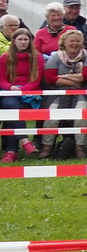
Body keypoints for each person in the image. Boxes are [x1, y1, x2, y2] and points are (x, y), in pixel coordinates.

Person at [42, 28, 87, 159]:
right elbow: (50, 78)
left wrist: (63, 77)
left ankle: (80, 146)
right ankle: (46, 146)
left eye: (78, 41)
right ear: (64, 43)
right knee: (52, 116)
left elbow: (86, 77)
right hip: (58, 93)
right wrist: (74, 80)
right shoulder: (56, 57)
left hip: (81, 93)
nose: (74, 43)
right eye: (71, 41)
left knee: (81, 116)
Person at [0, 27, 45, 161]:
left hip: (29, 93)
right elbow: (1, 79)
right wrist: (10, 87)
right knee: (11, 105)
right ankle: (25, 141)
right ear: (14, 41)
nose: (23, 42)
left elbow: (36, 80)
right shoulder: (5, 58)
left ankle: (12, 151)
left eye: (26, 39)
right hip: (8, 91)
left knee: (11, 109)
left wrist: (23, 89)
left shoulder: (37, 57)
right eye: (20, 39)